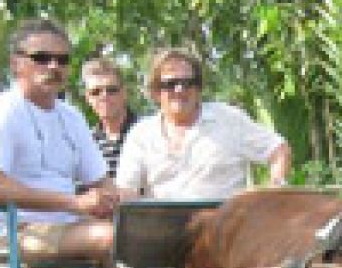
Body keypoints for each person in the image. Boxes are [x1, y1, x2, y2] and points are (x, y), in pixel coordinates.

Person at [0, 17, 117, 266]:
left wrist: (117, 198)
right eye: (41, 58)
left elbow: (101, 182)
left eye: (62, 60)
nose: (53, 66)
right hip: (12, 234)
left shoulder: (72, 117)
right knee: (110, 237)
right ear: (16, 64)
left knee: (147, 237)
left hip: (68, 228)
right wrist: (74, 202)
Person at [115, 47, 291, 200]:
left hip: (224, 229)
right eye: (170, 84)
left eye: (188, 83)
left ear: (199, 88)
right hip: (163, 231)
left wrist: (275, 189)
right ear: (155, 92)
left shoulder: (228, 119)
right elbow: (126, 190)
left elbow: (278, 149)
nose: (180, 90)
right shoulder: (141, 134)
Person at [81, 56, 135, 178]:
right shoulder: (86, 141)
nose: (104, 96)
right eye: (95, 92)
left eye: (111, 90)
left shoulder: (146, 133)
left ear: (124, 93)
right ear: (88, 98)